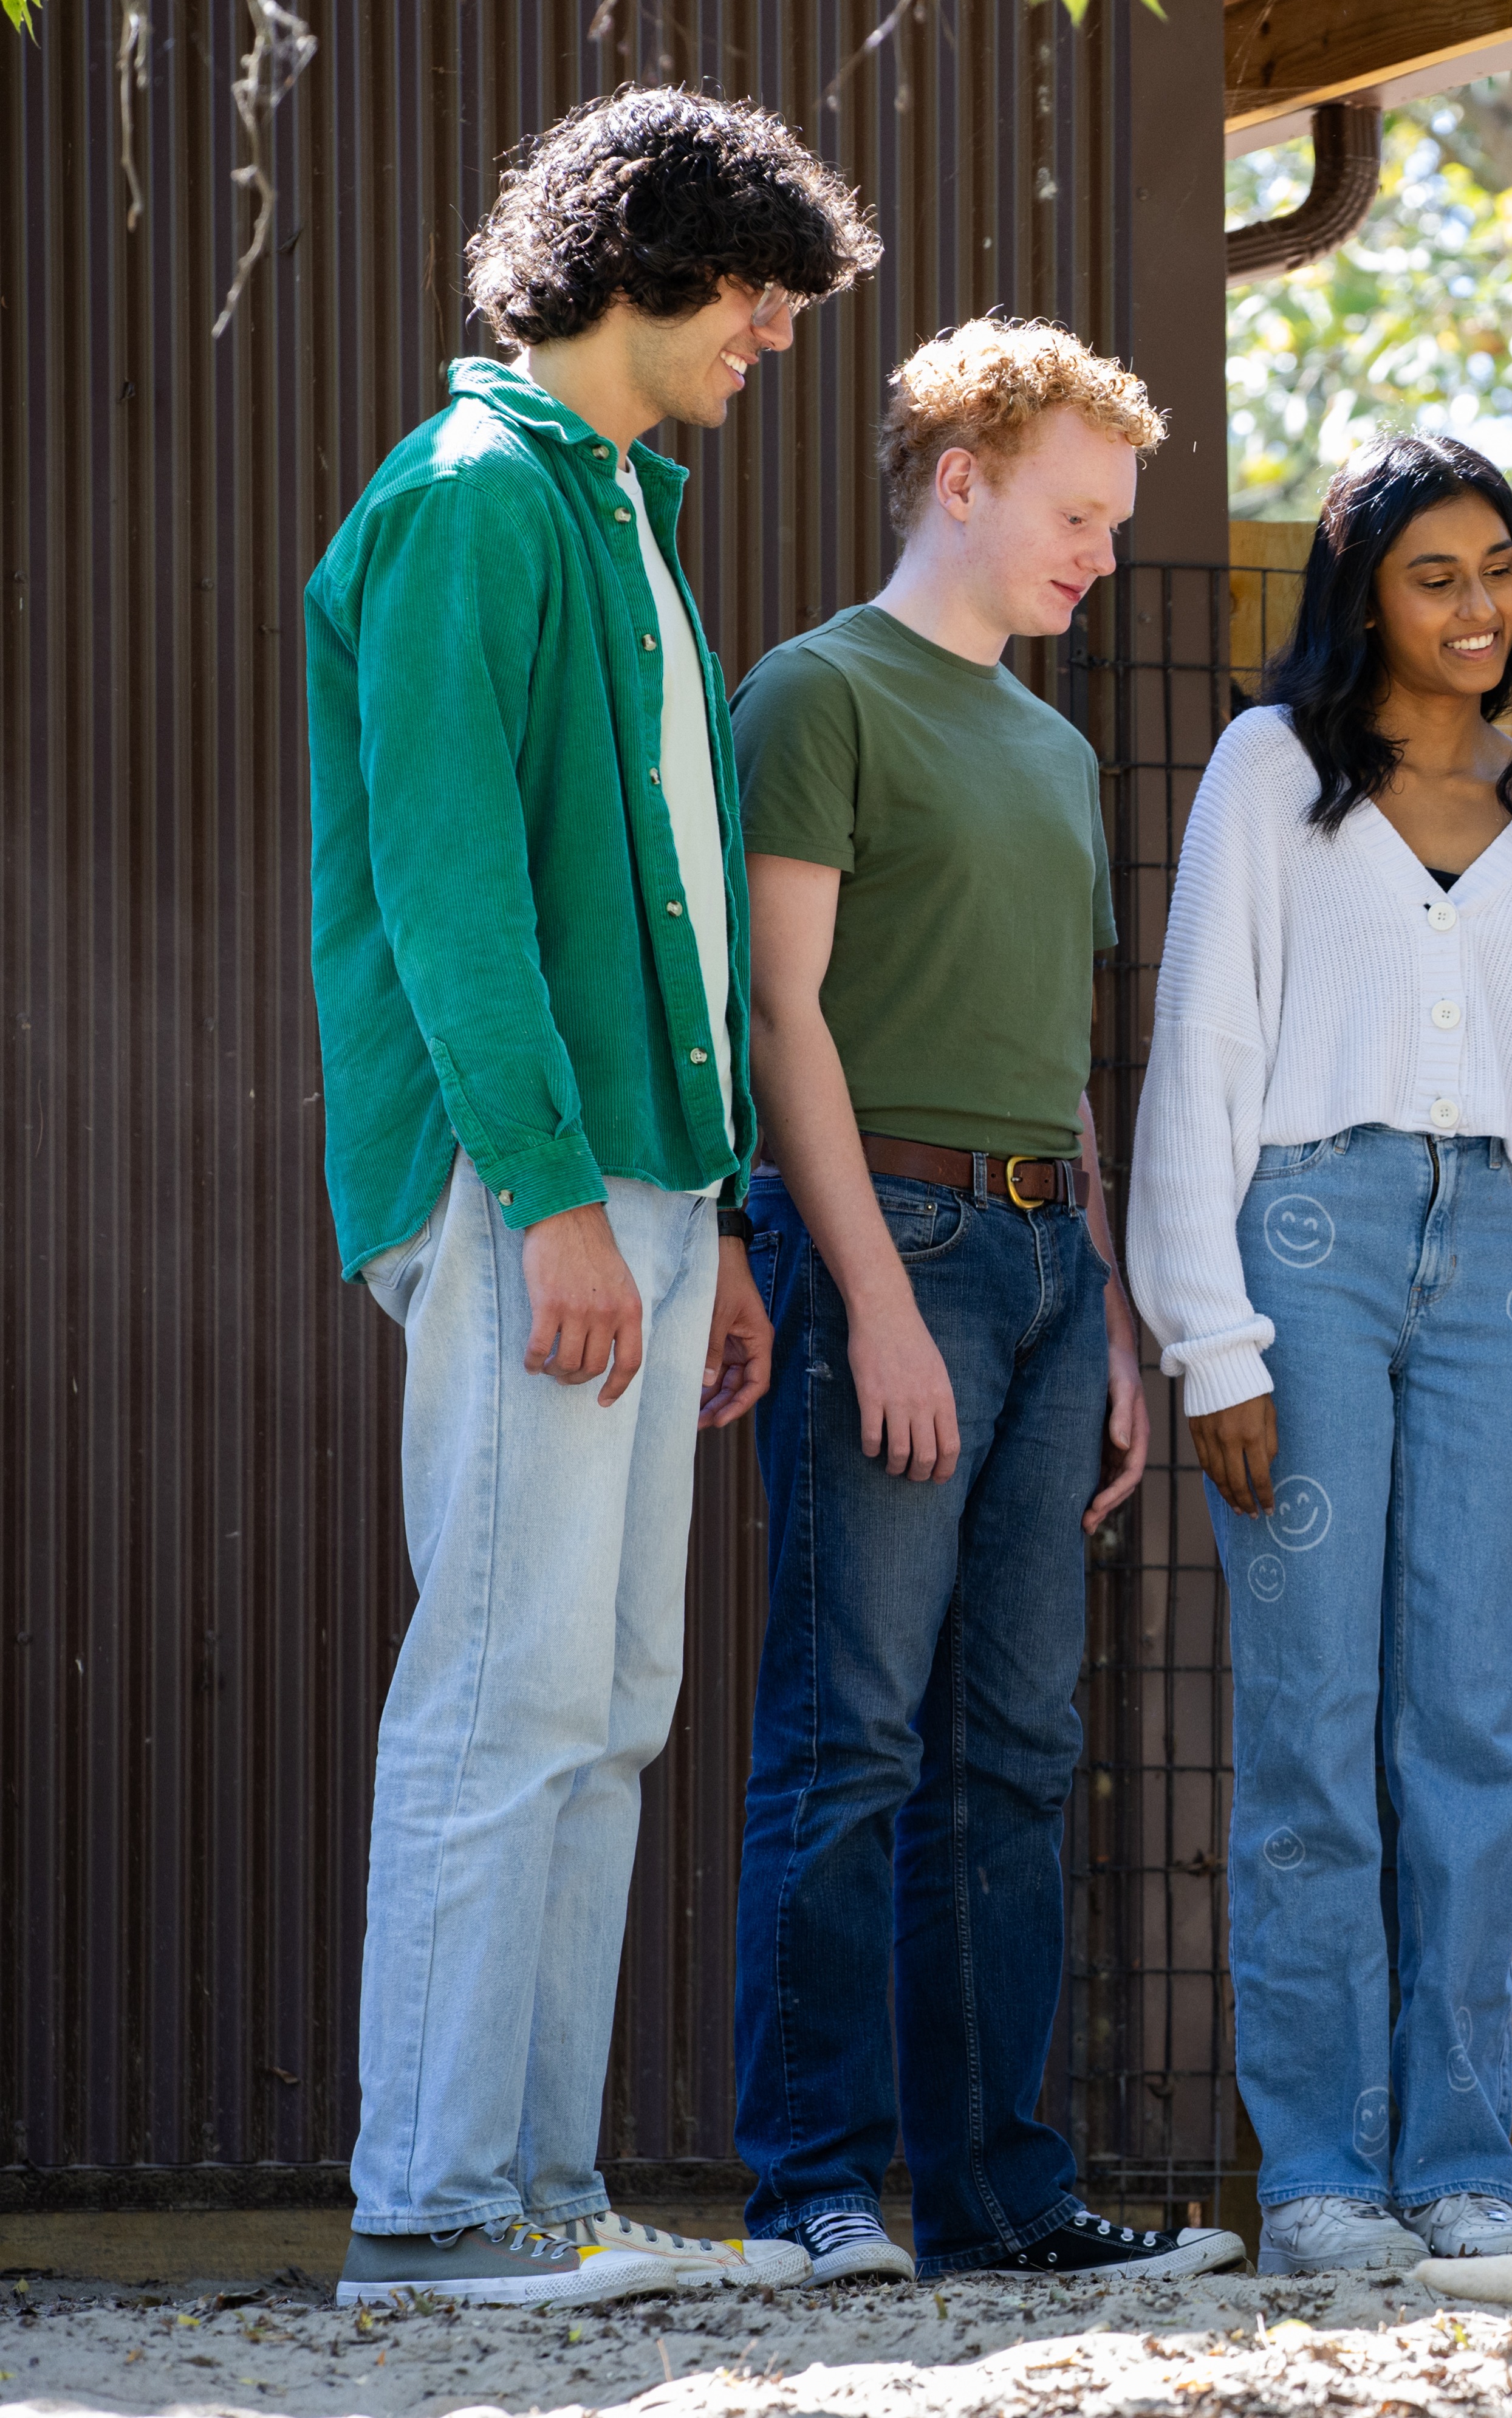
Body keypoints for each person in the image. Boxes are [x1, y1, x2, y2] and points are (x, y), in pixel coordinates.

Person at [304, 87, 877, 2307]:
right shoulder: (470, 507)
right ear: (657, 264)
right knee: (496, 1678)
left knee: (609, 1687)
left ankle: (531, 2202)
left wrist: (706, 1210)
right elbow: (454, 901)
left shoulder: (619, 508)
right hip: (517, 1185)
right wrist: (549, 1194)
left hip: (639, 1186)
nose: (776, 339)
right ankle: (436, 2204)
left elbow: (668, 908)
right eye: (760, 298)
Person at [726, 319, 1242, 2285]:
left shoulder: (1054, 742)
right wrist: (860, 1292)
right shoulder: (817, 696)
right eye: (1075, 515)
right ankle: (813, 2197)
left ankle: (1001, 2201)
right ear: (961, 480)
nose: (1100, 556)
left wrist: (1102, 1316)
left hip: (1040, 1270)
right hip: (899, 1253)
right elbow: (783, 1016)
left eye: (1114, 524)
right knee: (849, 1733)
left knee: (1018, 1749)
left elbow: (1062, 1064)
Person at [1131, 434, 1512, 2276]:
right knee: (1306, 1739)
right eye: (1431, 574)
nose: (1474, 606)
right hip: (1306, 1252)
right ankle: (1324, 2177)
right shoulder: (1270, 773)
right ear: (1362, 592)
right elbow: (1197, 1054)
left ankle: (1456, 2167)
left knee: (1466, 1736)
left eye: (1493, 569)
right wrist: (1214, 1342)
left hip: (1500, 1270)